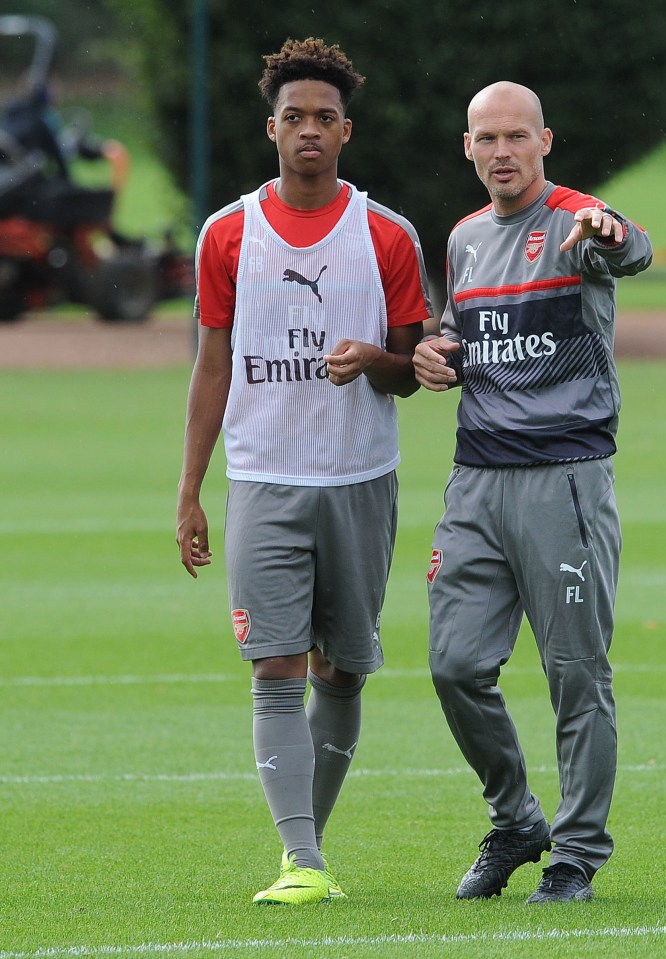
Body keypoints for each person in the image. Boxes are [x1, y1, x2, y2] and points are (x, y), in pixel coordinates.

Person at [176, 37, 432, 906]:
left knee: (345, 670)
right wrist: (190, 489)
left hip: (362, 479)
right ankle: (303, 861)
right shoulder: (228, 233)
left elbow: (414, 368)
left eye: (325, 118)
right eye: (295, 118)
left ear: (346, 130)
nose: (309, 131)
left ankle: (307, 844)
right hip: (262, 479)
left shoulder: (387, 234)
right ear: (273, 130)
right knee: (276, 665)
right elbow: (212, 365)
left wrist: (375, 360)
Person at [413, 81, 652, 904]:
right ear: (468, 148)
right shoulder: (466, 237)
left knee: (576, 673)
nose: (503, 151)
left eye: (518, 136)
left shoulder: (577, 220)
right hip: (475, 481)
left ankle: (576, 854)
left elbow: (628, 247)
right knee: (453, 666)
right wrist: (434, 352)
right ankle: (517, 818)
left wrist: (611, 230)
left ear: (545, 141)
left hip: (565, 481)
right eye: (488, 138)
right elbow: (458, 332)